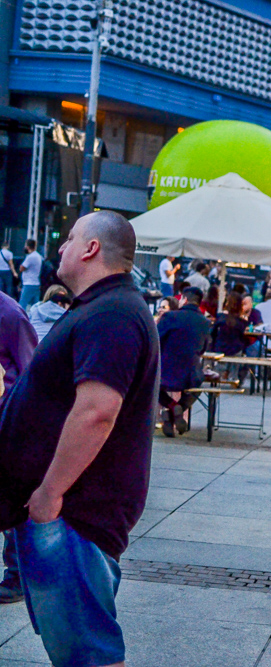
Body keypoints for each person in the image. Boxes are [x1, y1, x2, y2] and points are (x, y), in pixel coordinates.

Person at [0, 210, 159, 667]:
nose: (61, 247)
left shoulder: (112, 313)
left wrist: (50, 493)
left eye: (70, 239)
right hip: (66, 512)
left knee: (88, 655)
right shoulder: (102, 308)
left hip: (74, 513)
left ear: (91, 249)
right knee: (78, 650)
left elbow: (96, 412)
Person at [0, 288, 38, 605]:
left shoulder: (10, 314)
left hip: (4, 421)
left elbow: (30, 372)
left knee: (9, 502)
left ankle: (17, 575)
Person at [157, 286, 212, 437]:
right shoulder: (205, 322)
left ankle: (171, 408)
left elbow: (157, 341)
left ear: (185, 299)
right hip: (190, 373)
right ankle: (178, 408)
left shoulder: (170, 317)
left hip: (166, 371)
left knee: (152, 385)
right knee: (197, 387)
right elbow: (203, 349)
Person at [18, 239, 43, 310]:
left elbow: (21, 268)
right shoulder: (38, 256)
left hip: (29, 284)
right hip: (36, 283)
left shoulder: (30, 257)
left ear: (27, 247)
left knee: (22, 305)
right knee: (35, 306)